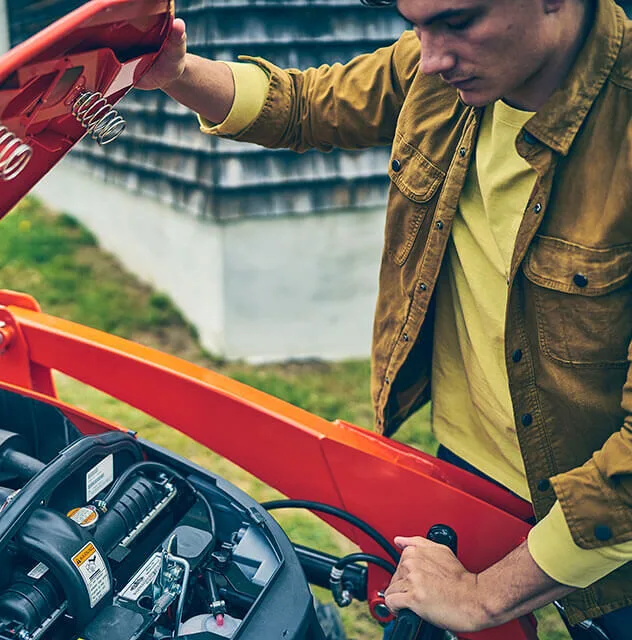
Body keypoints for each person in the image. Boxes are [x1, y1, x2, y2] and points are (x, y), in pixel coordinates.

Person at [136, 0, 632, 637]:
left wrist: (483, 596)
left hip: (607, 511)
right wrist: (178, 73)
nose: (430, 58)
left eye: (457, 22)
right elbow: (306, 104)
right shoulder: (441, 68)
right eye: (414, 25)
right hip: (473, 463)